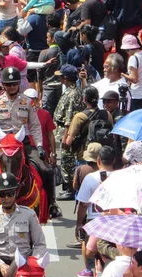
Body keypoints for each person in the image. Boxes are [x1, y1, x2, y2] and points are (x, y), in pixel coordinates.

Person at [0, 67, 60, 222]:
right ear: (3, 84)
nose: (11, 87)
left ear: (19, 84)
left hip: (23, 143)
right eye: (8, 84)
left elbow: (35, 126)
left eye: (14, 84)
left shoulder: (28, 103)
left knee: (46, 169)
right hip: (1, 144)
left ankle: (52, 205)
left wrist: (39, 145)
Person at [75, 145, 115, 277]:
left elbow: (83, 204)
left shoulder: (90, 178)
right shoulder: (121, 176)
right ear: (114, 161)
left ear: (98, 160)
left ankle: (87, 269)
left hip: (94, 221)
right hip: (115, 220)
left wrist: (79, 223)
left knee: (87, 245)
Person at [54, 64, 84, 200]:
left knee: (67, 160)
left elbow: (69, 117)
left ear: (65, 78)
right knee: (66, 159)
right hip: (62, 129)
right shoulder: (70, 91)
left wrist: (66, 136)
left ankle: (70, 189)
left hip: (68, 131)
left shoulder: (73, 94)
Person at [120, 35, 142, 111]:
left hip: (138, 96)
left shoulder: (133, 58)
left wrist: (123, 75)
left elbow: (134, 79)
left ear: (128, 49)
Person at [23, 88, 57, 168]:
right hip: (24, 152)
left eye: (31, 99)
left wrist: (53, 154)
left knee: (45, 172)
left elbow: (50, 135)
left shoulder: (45, 114)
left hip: (40, 153)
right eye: (26, 99)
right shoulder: (18, 114)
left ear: (37, 100)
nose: (28, 101)